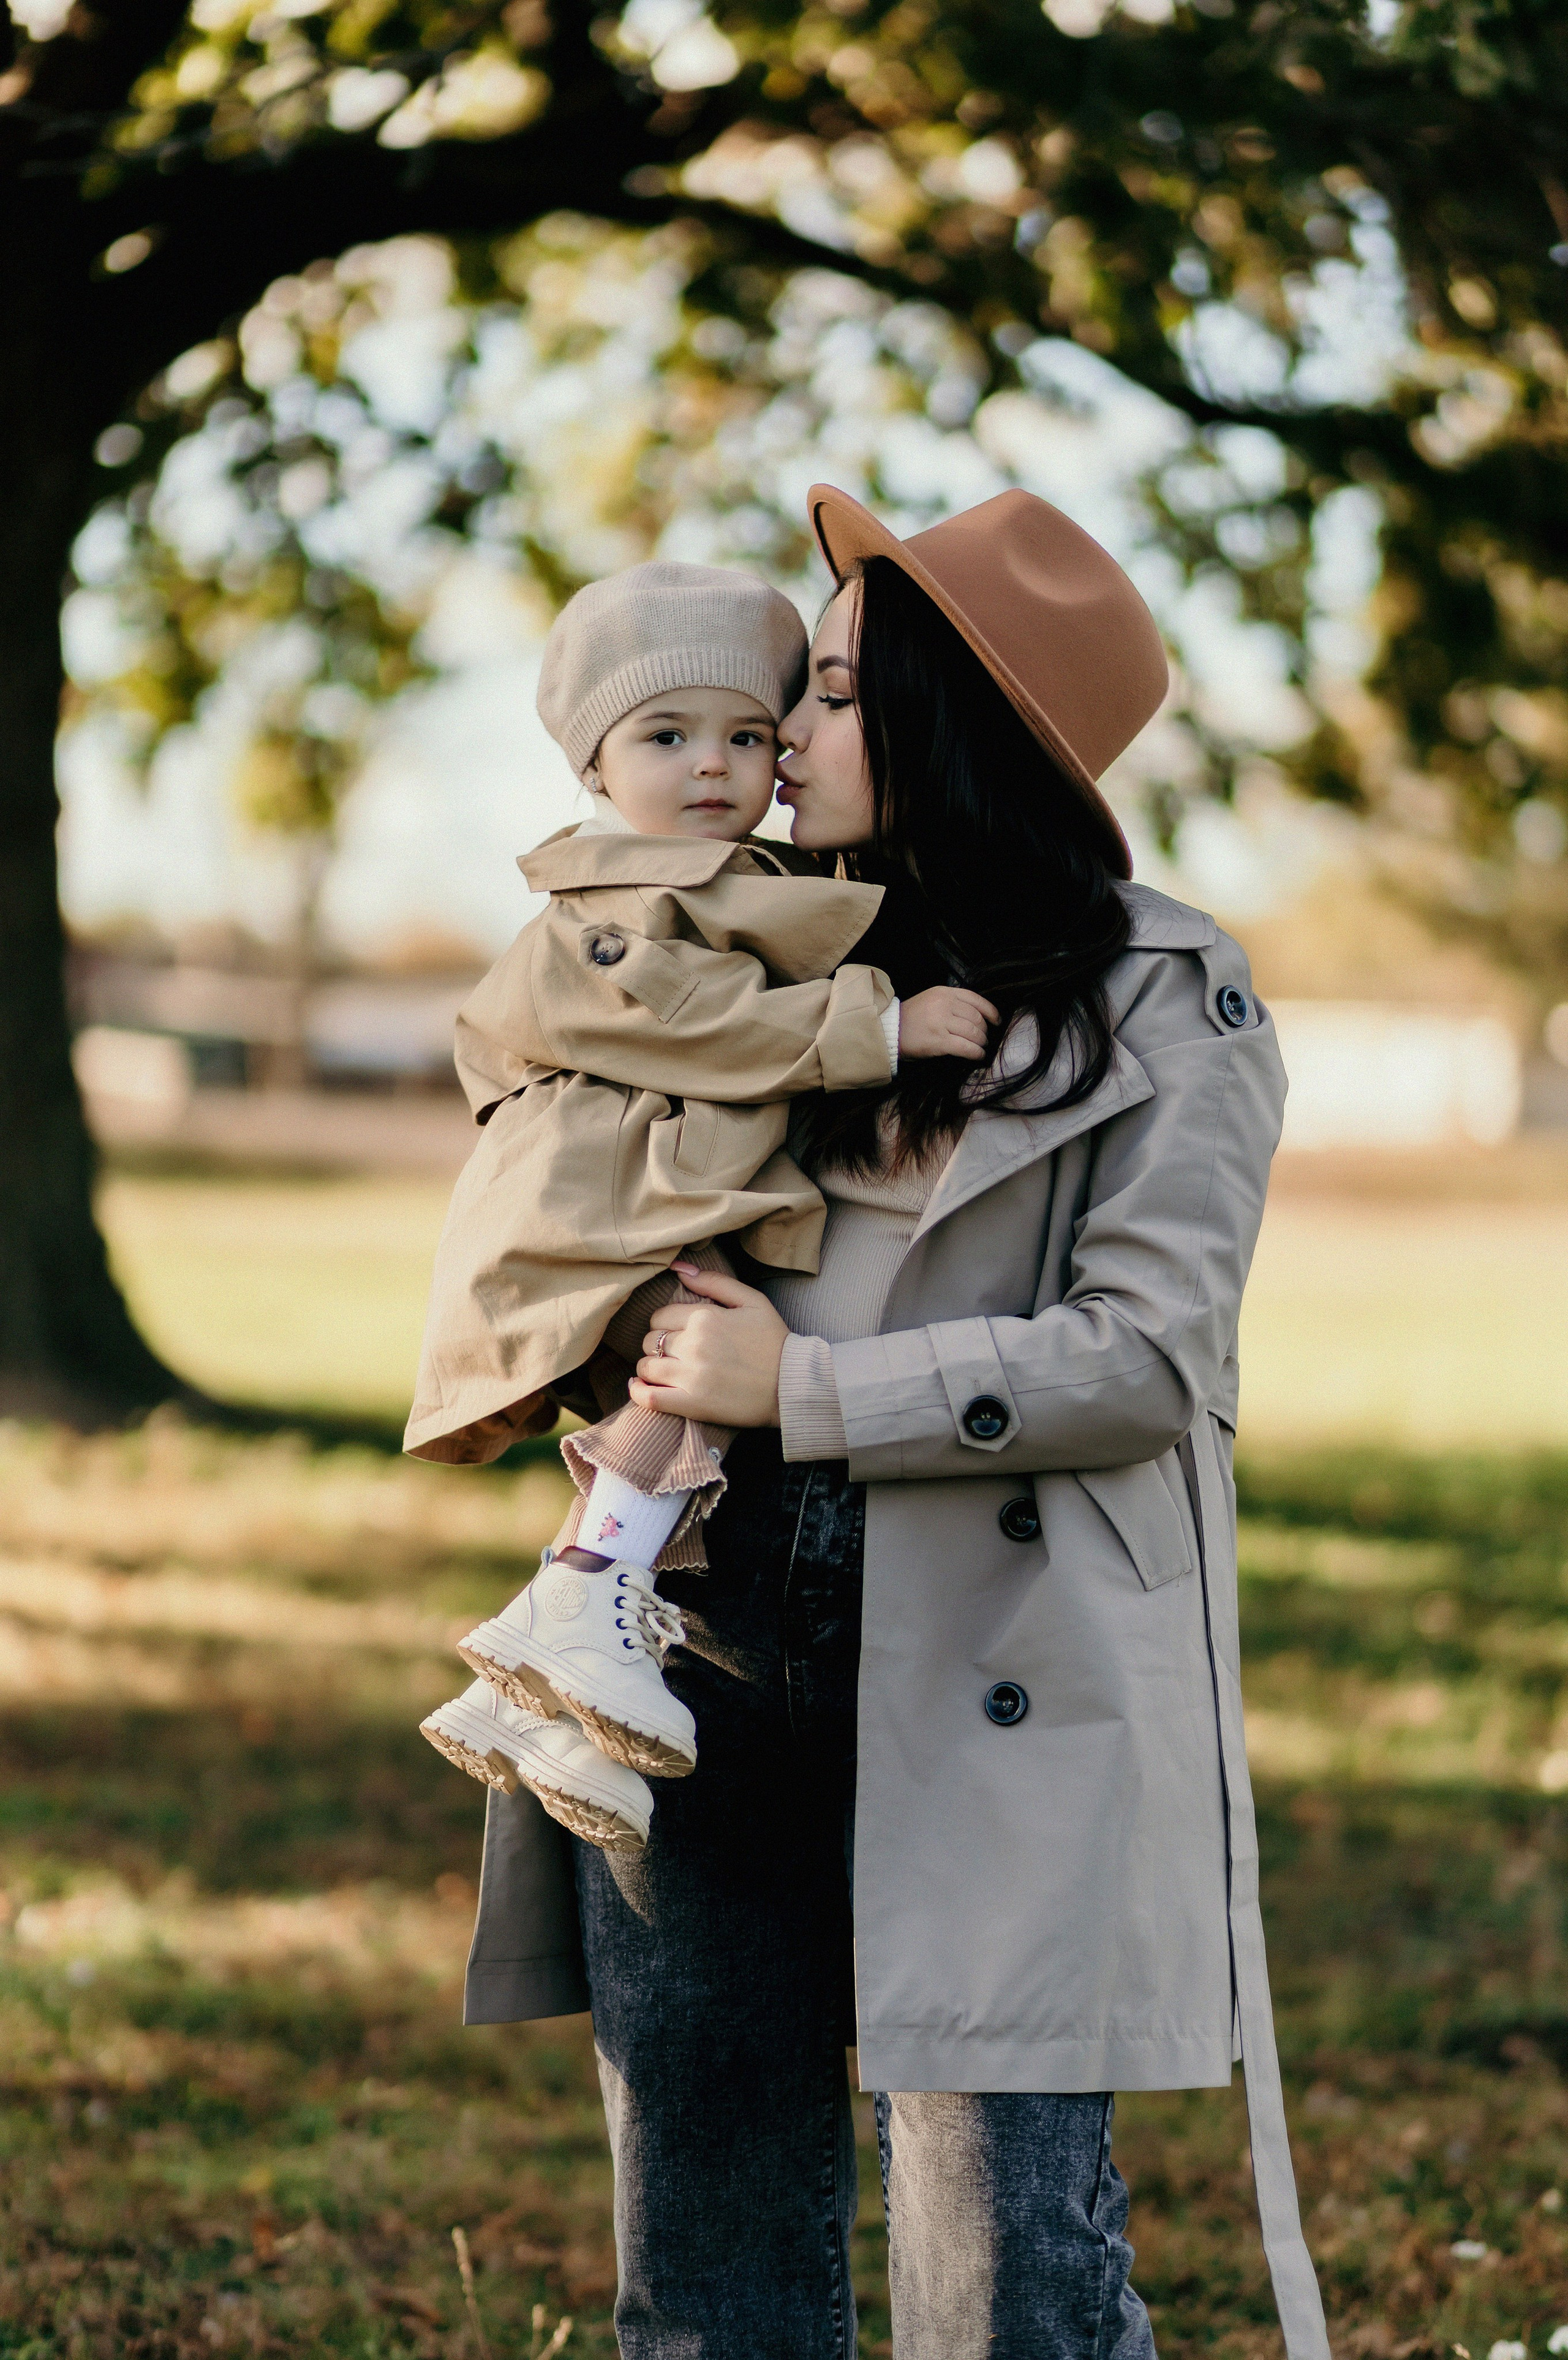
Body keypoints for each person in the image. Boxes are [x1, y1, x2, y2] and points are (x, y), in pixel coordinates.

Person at [458, 485, 1330, 2360]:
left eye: (830, 697)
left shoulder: (1170, 999)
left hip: (992, 1651)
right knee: (705, 2260)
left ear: (962, 722)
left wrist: (815, 1389)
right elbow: (553, 1205)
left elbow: (1152, 1355)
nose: (773, 748)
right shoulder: (736, 965)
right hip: (696, 1632)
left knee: (1005, 2279)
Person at [409, 559, 995, 1851]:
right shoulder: (615, 891)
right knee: (684, 1385)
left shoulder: (727, 876)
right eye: (665, 736)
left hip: (644, 1192)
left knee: (676, 1409)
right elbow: (681, 1019)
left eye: (745, 734)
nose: (715, 766)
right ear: (594, 767)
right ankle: (578, 1603)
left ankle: (556, 1714)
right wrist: (881, 1026)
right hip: (598, 1205)